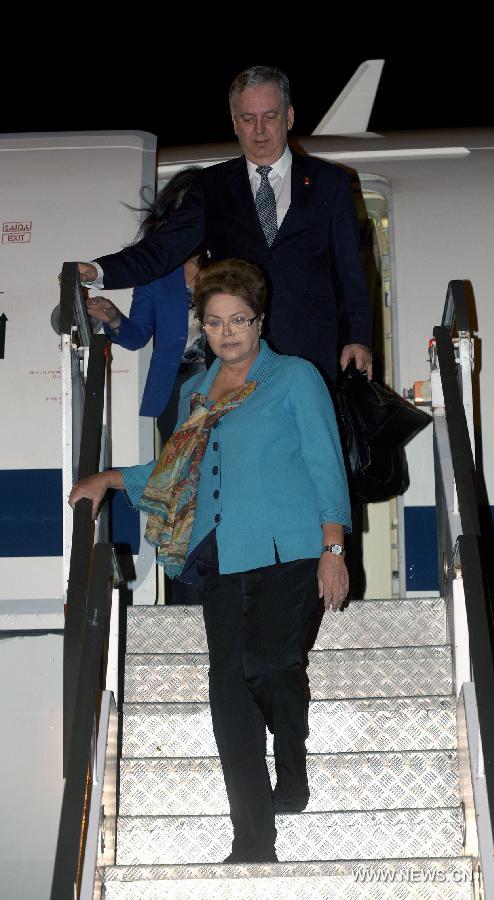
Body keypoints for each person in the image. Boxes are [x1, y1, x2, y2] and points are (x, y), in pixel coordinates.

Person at [69, 259, 351, 863]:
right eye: (215, 321)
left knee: (270, 662)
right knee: (228, 692)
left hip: (290, 550)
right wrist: (111, 478)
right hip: (221, 553)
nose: (227, 332)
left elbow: (327, 464)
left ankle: (293, 764)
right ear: (203, 325)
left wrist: (334, 549)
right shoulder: (195, 391)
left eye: (239, 320)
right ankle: (252, 839)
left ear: (260, 320)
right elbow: (175, 473)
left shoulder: (295, 378)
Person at [74, 65, 372, 386]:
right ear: (234, 123)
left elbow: (350, 275)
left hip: (311, 355)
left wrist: (358, 338)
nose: (259, 131)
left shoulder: (331, 183)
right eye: (248, 119)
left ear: (289, 117)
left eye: (270, 117)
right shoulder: (210, 186)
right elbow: (161, 250)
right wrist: (97, 271)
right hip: (237, 360)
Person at [86, 168, 206, 443]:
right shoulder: (154, 270)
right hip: (176, 388)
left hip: (230, 382)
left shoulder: (230, 259)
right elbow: (138, 335)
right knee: (177, 476)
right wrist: (113, 317)